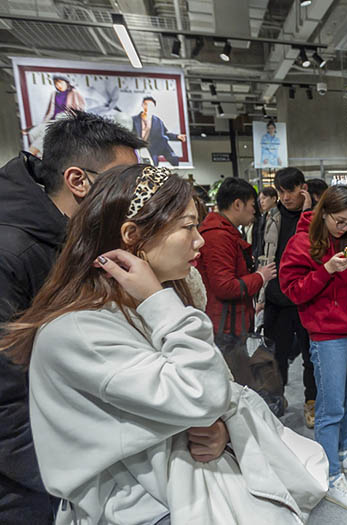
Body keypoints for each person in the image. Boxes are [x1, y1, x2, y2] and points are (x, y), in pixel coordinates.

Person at [0, 164, 327, 524]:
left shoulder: (140, 306)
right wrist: (159, 301)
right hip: (148, 510)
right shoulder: (80, 331)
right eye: (187, 227)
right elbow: (204, 395)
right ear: (132, 235)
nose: (199, 240)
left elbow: (209, 394)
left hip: (172, 495)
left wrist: (219, 429)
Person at [0, 110, 146, 525]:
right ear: (78, 181)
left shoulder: (74, 236)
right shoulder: (13, 251)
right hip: (33, 482)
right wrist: (65, 476)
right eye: (123, 182)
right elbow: (6, 400)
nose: (133, 196)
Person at [280, 185, 347, 511]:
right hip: (328, 337)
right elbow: (293, 292)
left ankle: (341, 452)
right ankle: (330, 475)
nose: (345, 228)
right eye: (340, 221)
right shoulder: (302, 244)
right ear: (323, 213)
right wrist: (326, 271)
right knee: (330, 407)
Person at [258, 168, 316, 428]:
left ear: (302, 188)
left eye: (290, 190)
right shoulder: (270, 217)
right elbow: (262, 256)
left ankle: (311, 401)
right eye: (280, 191)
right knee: (276, 355)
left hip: (307, 298)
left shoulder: (315, 218)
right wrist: (260, 294)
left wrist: (310, 212)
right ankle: (276, 397)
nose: (285, 196)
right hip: (277, 298)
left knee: (311, 356)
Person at [196, 177, 276, 349]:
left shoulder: (225, 232)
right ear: (238, 204)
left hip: (229, 322)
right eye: (253, 206)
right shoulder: (218, 236)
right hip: (225, 326)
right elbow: (224, 286)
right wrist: (260, 276)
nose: (255, 212)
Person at [26, 75, 86, 156]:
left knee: (47, 132)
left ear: (67, 83)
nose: (58, 85)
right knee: (33, 133)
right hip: (53, 120)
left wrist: (71, 117)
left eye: (60, 83)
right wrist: (44, 122)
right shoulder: (54, 94)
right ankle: (42, 156)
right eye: (56, 83)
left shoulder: (74, 93)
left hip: (66, 121)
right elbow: (49, 111)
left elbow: (80, 109)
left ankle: (34, 153)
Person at [132, 96, 187, 166]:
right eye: (146, 104)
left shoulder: (157, 121)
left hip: (152, 148)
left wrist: (177, 137)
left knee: (169, 160)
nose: (147, 107)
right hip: (137, 147)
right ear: (142, 105)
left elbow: (165, 134)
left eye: (150, 105)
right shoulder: (134, 120)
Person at [252, 186, 277, 262]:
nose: (261, 202)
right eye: (260, 199)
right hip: (262, 258)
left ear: (274, 199)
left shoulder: (279, 217)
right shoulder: (263, 218)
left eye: (264, 198)